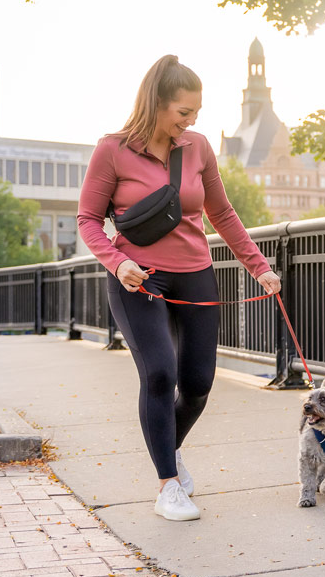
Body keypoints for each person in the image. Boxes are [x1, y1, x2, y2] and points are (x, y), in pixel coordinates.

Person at [77, 55, 281, 521]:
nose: (190, 121)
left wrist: (259, 266)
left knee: (197, 384)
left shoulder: (198, 147)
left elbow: (222, 214)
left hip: (196, 274)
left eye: (196, 112)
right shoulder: (112, 149)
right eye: (183, 112)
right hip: (138, 278)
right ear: (156, 104)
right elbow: (88, 219)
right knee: (159, 374)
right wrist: (117, 260)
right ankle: (167, 485)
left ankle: (169, 449)